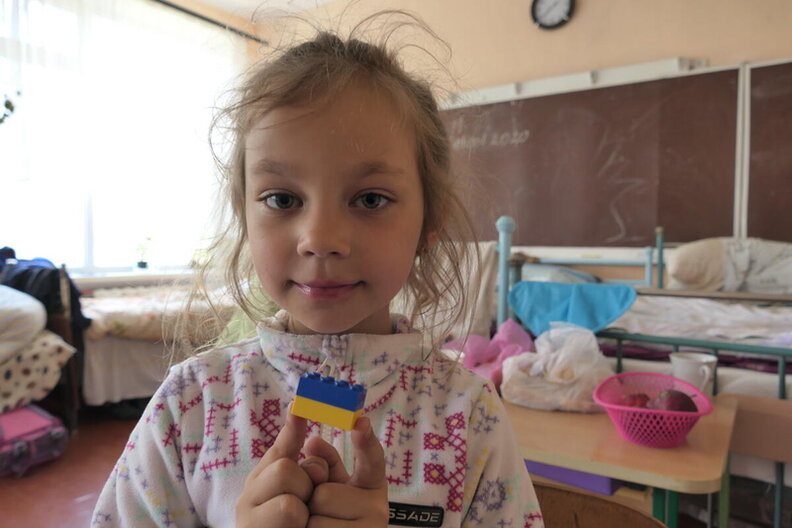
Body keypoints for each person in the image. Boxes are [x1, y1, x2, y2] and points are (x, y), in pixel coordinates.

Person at [91, 14, 544, 528]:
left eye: (370, 199)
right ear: (245, 217)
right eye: (282, 198)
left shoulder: (470, 416)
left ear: (429, 223)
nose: (321, 238)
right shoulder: (191, 403)